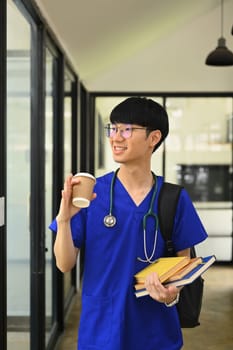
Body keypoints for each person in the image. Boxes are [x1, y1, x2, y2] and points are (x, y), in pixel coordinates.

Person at [50, 97, 208, 350]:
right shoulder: (92, 194)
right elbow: (64, 263)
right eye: (112, 128)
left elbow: (182, 270)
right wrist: (64, 220)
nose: (115, 137)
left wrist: (171, 295)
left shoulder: (174, 199)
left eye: (126, 129)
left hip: (156, 334)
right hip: (101, 331)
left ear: (153, 138)